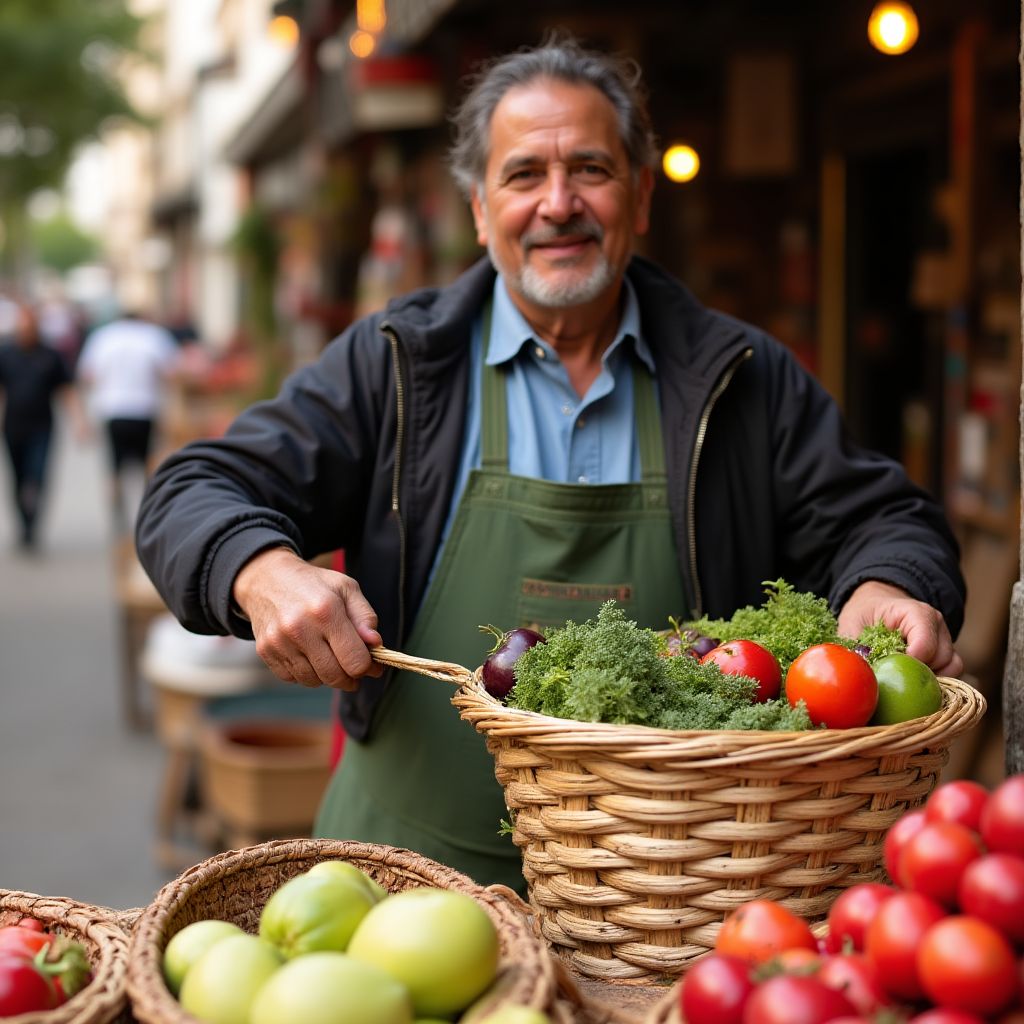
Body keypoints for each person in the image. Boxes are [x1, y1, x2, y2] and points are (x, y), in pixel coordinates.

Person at [136, 36, 965, 891]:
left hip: (668, 892)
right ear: (479, 209)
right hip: (400, 884)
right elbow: (191, 489)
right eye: (524, 174)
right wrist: (259, 569)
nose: (558, 204)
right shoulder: (396, 366)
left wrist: (890, 583)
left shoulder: (744, 378)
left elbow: (886, 519)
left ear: (641, 195)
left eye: (591, 170)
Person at [77, 309, 180, 534]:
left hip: (113, 409)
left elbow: (88, 375)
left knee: (115, 468)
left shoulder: (103, 336)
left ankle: (118, 518)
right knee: (147, 465)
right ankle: (147, 514)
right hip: (144, 408)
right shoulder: (153, 335)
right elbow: (171, 372)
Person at [0, 301, 87, 551]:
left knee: (37, 476)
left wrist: (79, 421)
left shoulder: (50, 355)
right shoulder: (6, 354)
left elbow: (66, 390)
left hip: (42, 427)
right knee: (18, 478)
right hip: (13, 426)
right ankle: (24, 524)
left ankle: (34, 520)